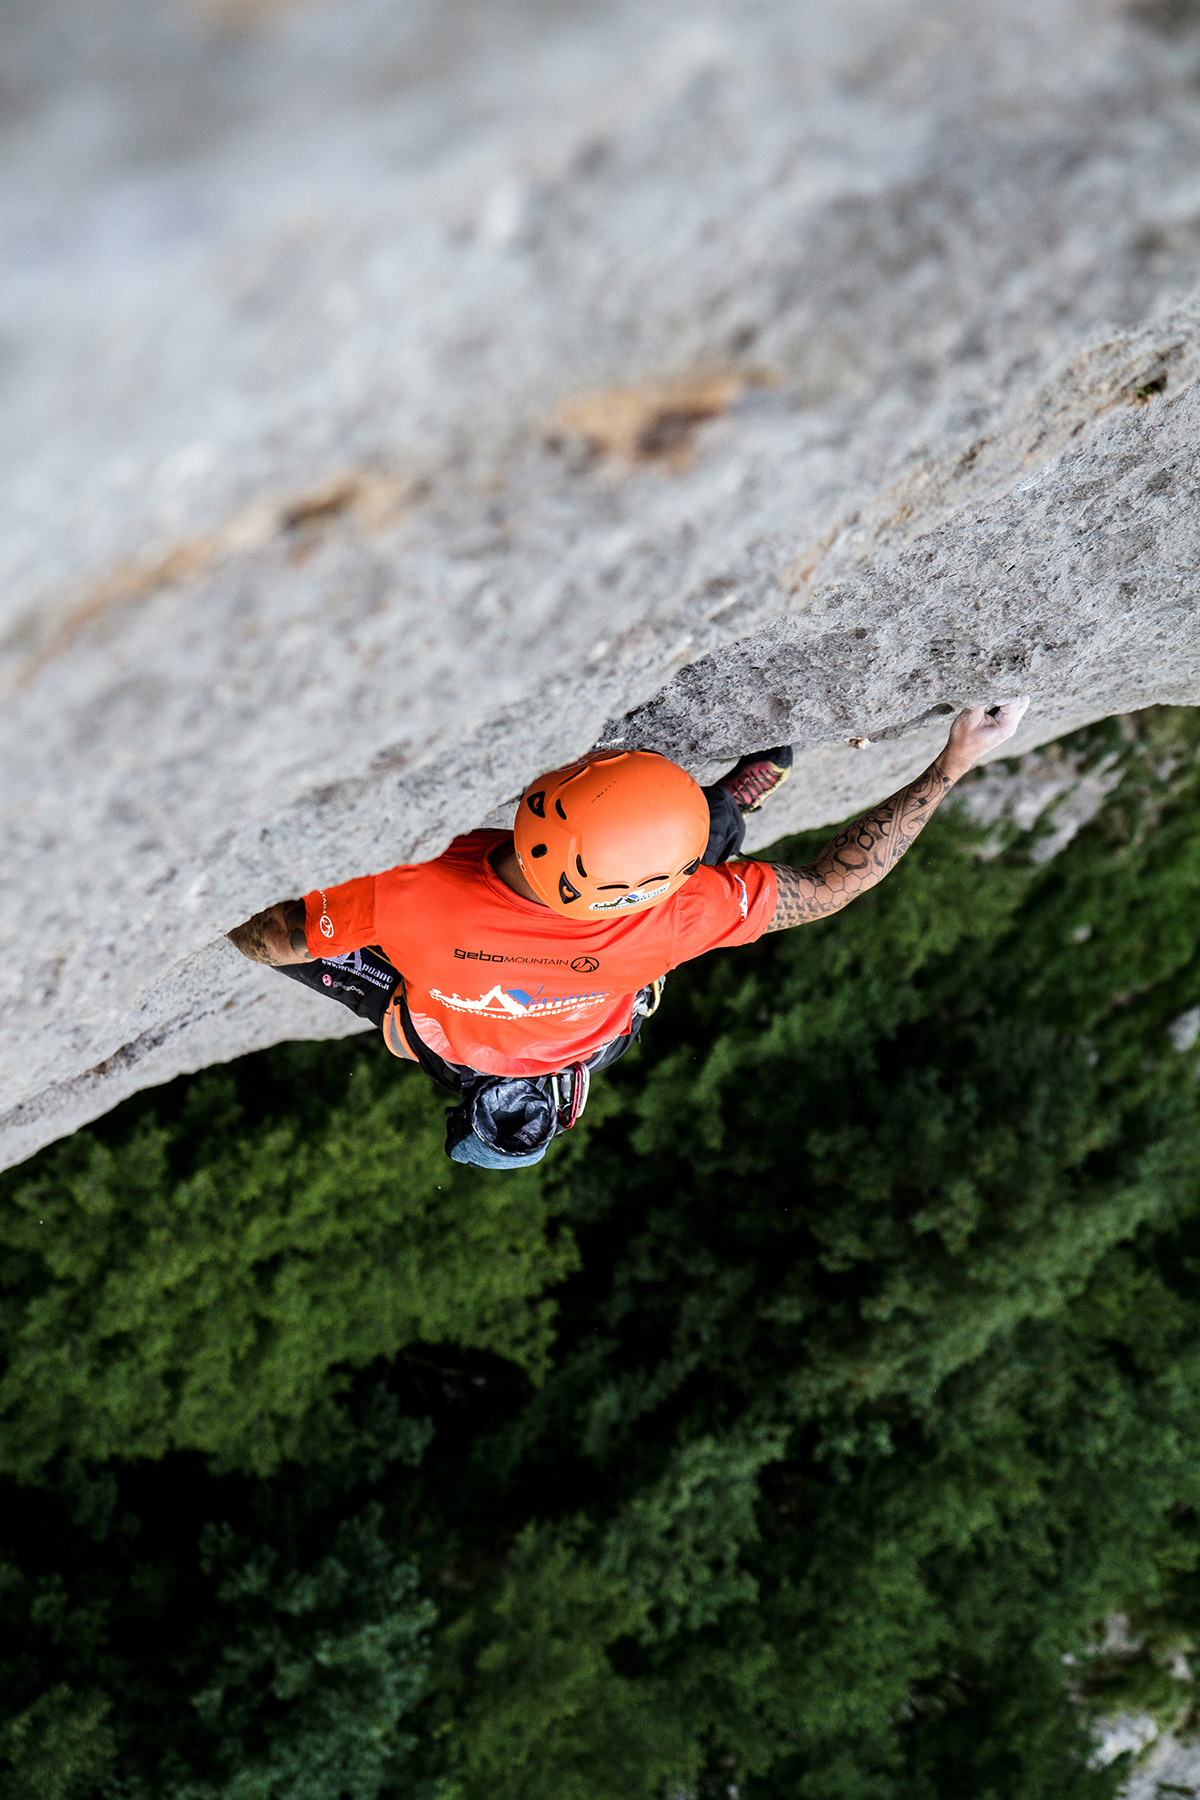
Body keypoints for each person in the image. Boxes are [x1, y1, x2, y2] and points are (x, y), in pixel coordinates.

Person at [228, 697, 1030, 1168]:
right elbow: (828, 885)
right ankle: (728, 809)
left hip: (580, 1024)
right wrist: (953, 764)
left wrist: (956, 759)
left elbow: (828, 890)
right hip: (539, 1021)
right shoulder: (660, 916)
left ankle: (727, 811)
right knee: (683, 868)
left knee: (689, 862)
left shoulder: (413, 891)